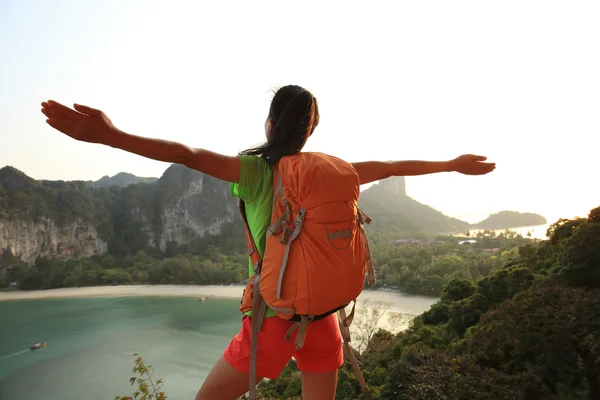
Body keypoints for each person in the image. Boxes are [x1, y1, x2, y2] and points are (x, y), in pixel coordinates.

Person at [41, 85, 495, 400]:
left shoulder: (257, 172)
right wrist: (452, 164)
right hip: (324, 319)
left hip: (272, 320)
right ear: (310, 130)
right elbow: (392, 165)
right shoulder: (336, 173)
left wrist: (111, 136)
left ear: (270, 123)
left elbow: (186, 155)